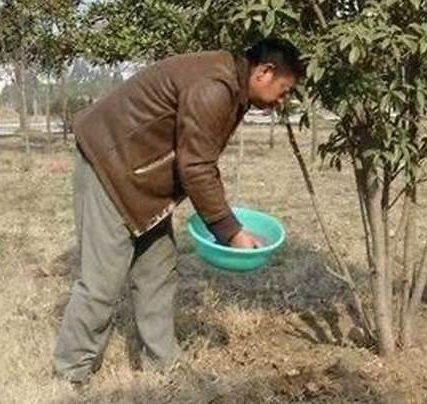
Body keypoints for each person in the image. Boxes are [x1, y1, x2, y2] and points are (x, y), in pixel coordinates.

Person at [53, 37, 305, 384]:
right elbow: (197, 167)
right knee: (102, 282)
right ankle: (71, 372)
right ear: (265, 71)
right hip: (109, 167)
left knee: (158, 269)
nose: (282, 100)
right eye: (285, 89)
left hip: (141, 178)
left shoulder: (230, 83)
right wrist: (231, 231)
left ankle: (162, 363)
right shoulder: (214, 86)